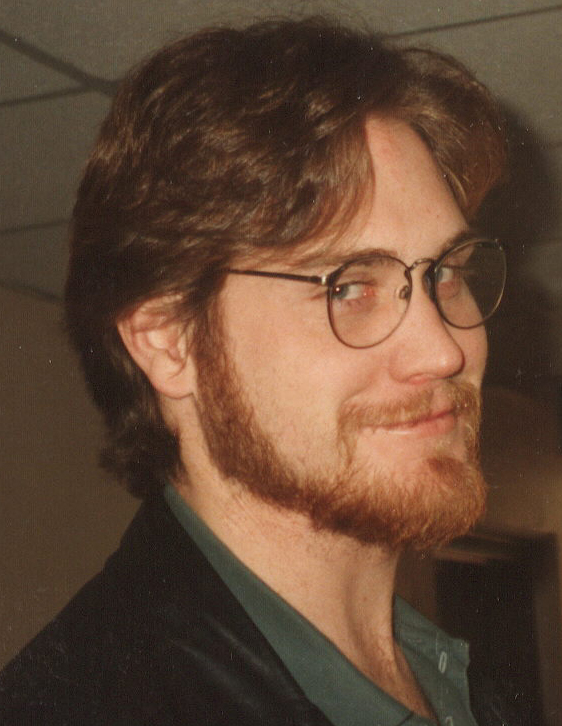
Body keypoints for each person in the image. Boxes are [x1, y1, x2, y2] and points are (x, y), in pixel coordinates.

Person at [0, 16, 513, 725]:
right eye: (348, 288)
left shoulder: (462, 686)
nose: (444, 351)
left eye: (446, 272)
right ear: (168, 343)